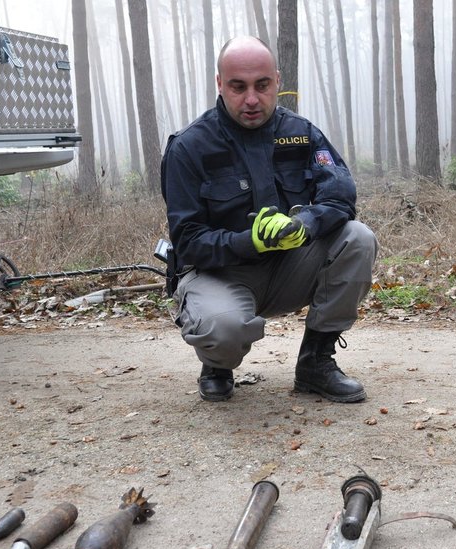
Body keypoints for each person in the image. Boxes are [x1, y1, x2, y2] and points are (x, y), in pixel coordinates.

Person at [161, 36, 377, 403]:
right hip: (219, 275)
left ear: (277, 81)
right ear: (219, 84)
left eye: (262, 86)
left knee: (358, 238)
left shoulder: (301, 133)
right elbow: (188, 239)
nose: (251, 99)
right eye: (237, 86)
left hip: (287, 271)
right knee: (223, 330)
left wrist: (305, 224)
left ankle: (315, 363)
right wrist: (250, 241)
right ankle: (217, 362)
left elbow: (340, 195)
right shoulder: (189, 147)